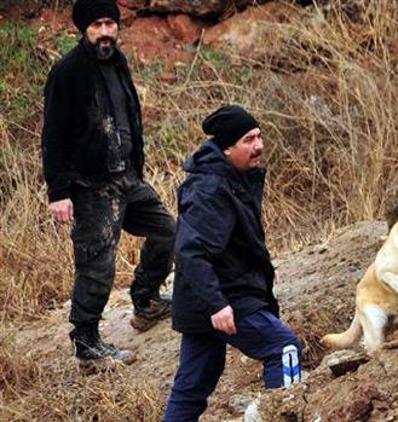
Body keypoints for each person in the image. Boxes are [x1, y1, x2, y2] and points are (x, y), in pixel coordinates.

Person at [41, 0, 175, 371]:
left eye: (110, 24)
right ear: (84, 29)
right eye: (97, 24)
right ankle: (86, 346)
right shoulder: (67, 71)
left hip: (127, 180)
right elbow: (52, 135)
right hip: (90, 186)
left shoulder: (118, 62)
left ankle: (146, 301)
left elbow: (127, 119)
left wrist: (137, 168)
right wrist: (58, 192)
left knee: (169, 231)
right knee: (97, 266)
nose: (105, 31)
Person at [164, 105, 302, 421]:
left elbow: (232, 240)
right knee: (284, 349)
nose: (259, 146)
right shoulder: (210, 188)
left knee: (191, 388)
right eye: (248, 140)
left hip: (209, 295)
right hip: (221, 297)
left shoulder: (230, 177)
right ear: (227, 148)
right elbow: (191, 252)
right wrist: (216, 304)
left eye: (259, 136)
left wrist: (263, 267)